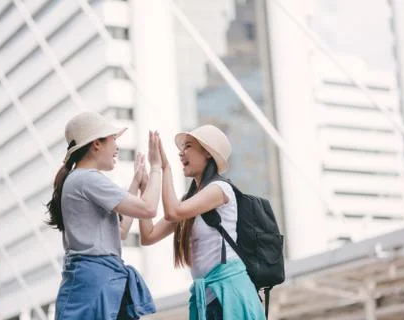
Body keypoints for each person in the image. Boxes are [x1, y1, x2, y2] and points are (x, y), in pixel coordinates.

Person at [139, 125, 265, 320]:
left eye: (188, 146)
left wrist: (164, 167)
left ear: (207, 152)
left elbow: (173, 212)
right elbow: (148, 236)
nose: (181, 153)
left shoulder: (220, 189)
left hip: (231, 292)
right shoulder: (189, 202)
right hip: (208, 299)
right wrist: (145, 191)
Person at [46, 112, 162, 319]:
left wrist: (135, 184)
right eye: (113, 139)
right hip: (98, 282)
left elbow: (121, 231)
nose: (117, 147)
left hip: (94, 282)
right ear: (96, 144)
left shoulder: (78, 180)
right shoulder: (87, 179)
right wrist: (156, 167)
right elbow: (149, 209)